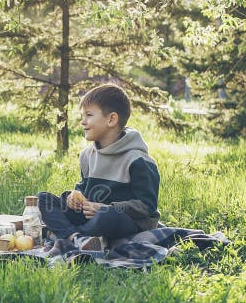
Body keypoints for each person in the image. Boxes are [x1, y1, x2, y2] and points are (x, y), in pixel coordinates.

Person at [37, 84, 160, 251]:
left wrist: (109, 208)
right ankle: (77, 238)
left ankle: (64, 234)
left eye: (89, 115)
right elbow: (84, 190)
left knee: (106, 216)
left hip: (124, 221)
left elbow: (147, 206)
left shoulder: (138, 160)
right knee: (45, 199)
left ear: (111, 119)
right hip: (91, 217)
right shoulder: (87, 155)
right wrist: (72, 197)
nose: (83, 122)